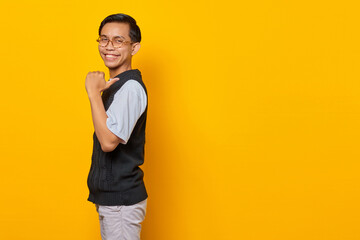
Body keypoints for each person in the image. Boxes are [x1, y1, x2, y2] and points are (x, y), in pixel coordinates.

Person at [85, 13, 148, 240]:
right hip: (111, 200)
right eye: (104, 39)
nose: (109, 46)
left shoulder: (130, 88)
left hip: (121, 202)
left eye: (119, 40)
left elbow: (109, 142)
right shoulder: (116, 86)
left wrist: (93, 93)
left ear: (134, 47)